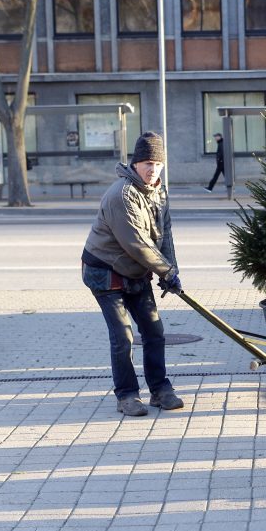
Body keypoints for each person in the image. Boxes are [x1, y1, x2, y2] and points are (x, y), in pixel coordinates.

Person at [82, 131, 185, 417]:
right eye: (148, 163)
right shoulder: (122, 195)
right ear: (136, 164)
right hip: (105, 272)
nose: (153, 170)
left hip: (136, 271)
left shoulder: (159, 191)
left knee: (154, 331)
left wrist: (171, 271)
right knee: (123, 336)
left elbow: (165, 236)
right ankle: (127, 395)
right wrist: (164, 270)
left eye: (158, 164)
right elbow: (137, 243)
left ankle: (160, 390)